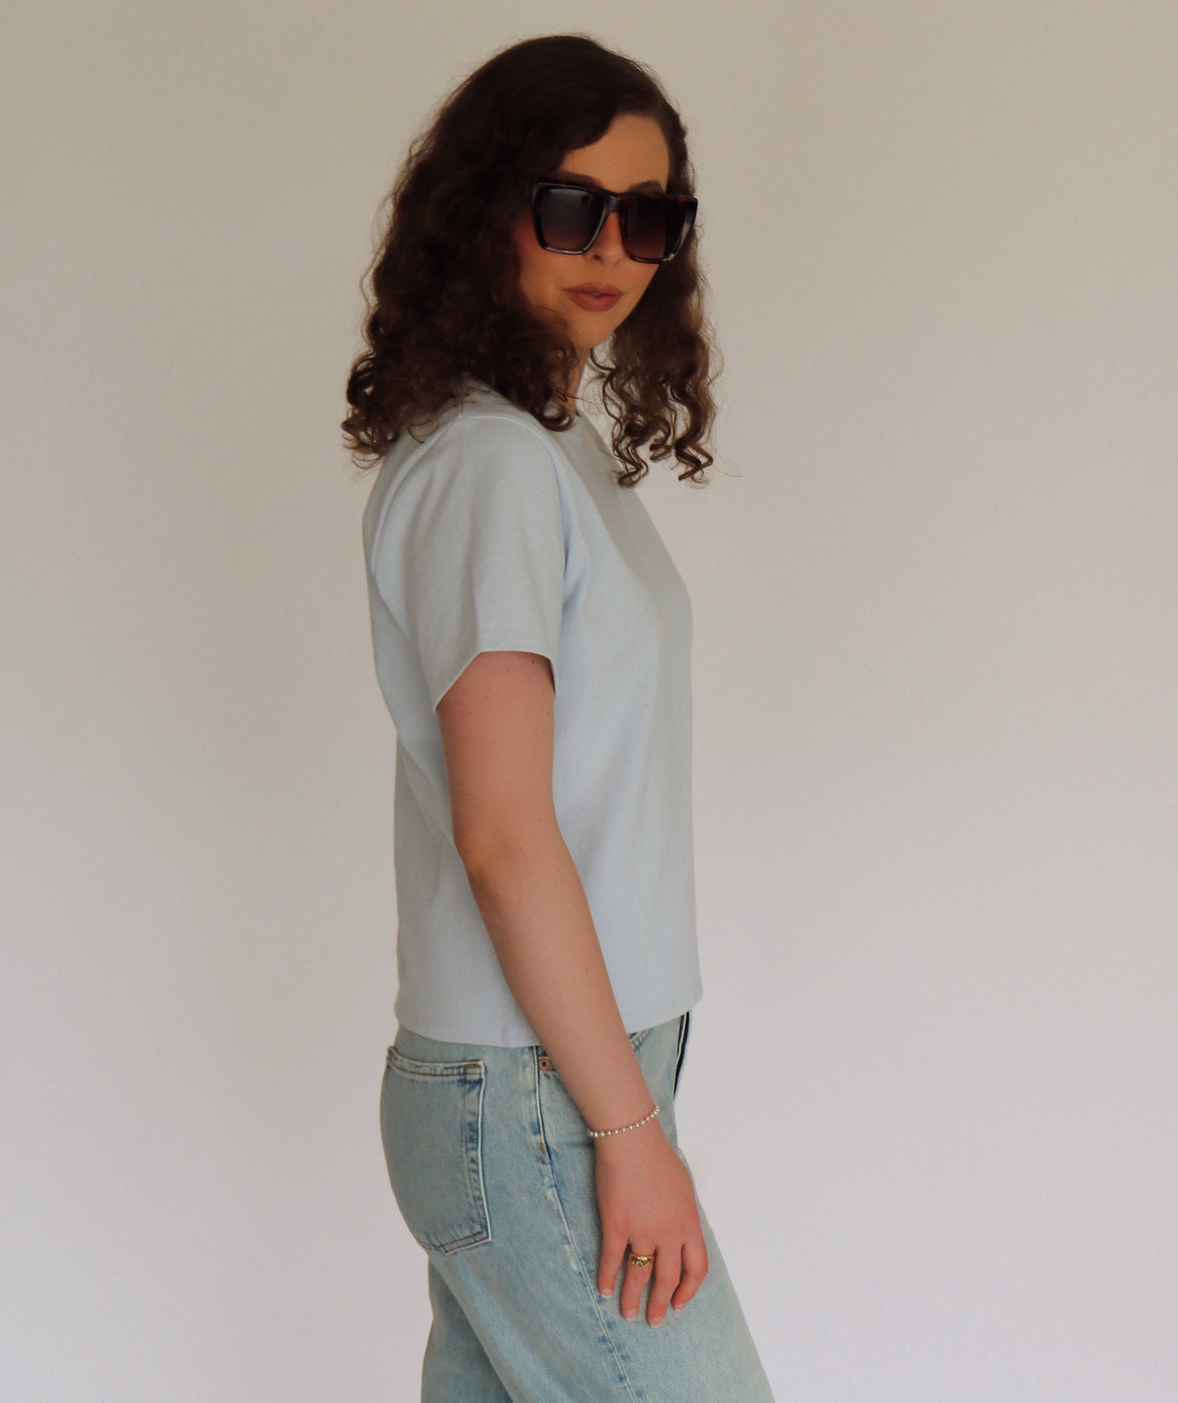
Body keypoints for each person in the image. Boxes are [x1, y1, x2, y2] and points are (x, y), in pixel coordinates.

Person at [342, 33, 774, 1402]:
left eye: (650, 216)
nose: (613, 247)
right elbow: (505, 835)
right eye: (571, 203)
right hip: (542, 1094)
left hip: (545, 1076)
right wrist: (629, 1133)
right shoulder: (488, 465)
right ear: (486, 211)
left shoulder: (545, 447)